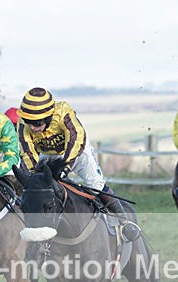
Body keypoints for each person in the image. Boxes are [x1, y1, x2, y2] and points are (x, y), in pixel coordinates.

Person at [16, 87, 140, 241]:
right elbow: (27, 151)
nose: (33, 127)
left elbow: (76, 140)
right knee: (36, 188)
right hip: (47, 154)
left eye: (37, 123)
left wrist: (66, 166)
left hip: (76, 151)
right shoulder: (23, 124)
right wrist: (35, 174)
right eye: (29, 122)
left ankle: (124, 222)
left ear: (49, 117)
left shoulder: (64, 112)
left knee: (96, 185)